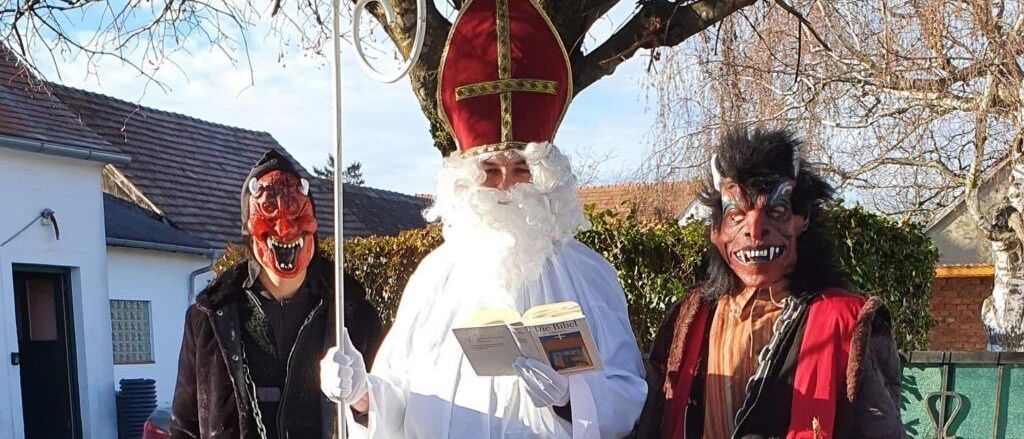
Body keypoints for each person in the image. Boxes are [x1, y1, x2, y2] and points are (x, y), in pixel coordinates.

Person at [318, 0, 647, 436]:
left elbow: (628, 394)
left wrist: (571, 399)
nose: (507, 186)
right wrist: (361, 396)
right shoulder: (433, 278)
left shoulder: (589, 275)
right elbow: (398, 395)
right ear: (466, 181)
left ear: (548, 178)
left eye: (522, 170)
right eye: (490, 171)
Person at [636, 128, 905, 438]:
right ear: (716, 231)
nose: (755, 229)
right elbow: (652, 419)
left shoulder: (847, 322)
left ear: (801, 220)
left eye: (776, 212)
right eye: (736, 215)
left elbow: (880, 430)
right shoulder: (688, 318)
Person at [171, 149, 383, 438]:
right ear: (249, 231)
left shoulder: (357, 318)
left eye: (296, 215)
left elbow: (393, 417)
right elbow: (184, 427)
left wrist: (363, 399)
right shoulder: (207, 320)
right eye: (271, 218)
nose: (284, 228)